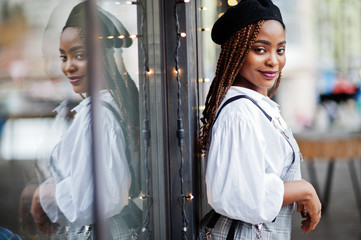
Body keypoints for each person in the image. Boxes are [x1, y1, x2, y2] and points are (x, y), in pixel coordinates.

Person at [198, 0, 321, 239]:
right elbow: (238, 195)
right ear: (236, 51)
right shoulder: (240, 114)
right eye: (260, 49)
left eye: (280, 50)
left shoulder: (257, 107)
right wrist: (303, 190)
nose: (273, 60)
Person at [30, 2, 141, 239]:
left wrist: (46, 194)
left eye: (79, 55)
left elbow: (99, 199)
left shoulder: (97, 116)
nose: (68, 66)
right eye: (63, 56)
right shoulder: (106, 107)